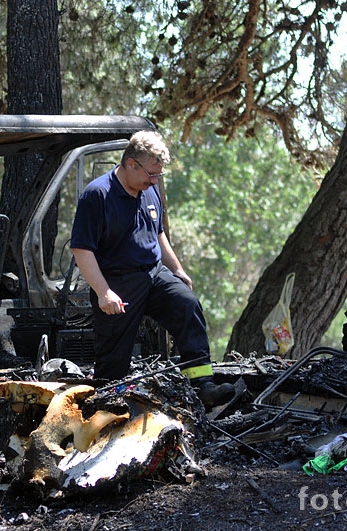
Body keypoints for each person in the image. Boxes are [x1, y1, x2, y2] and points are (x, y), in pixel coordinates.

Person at [70, 130, 234, 408]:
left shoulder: (150, 191)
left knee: (187, 305)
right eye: (151, 174)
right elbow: (82, 249)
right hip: (117, 282)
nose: (155, 180)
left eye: (159, 175)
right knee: (112, 364)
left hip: (154, 274)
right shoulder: (97, 195)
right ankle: (109, 410)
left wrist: (178, 271)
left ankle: (202, 385)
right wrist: (103, 292)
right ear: (131, 164)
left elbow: (158, 235)